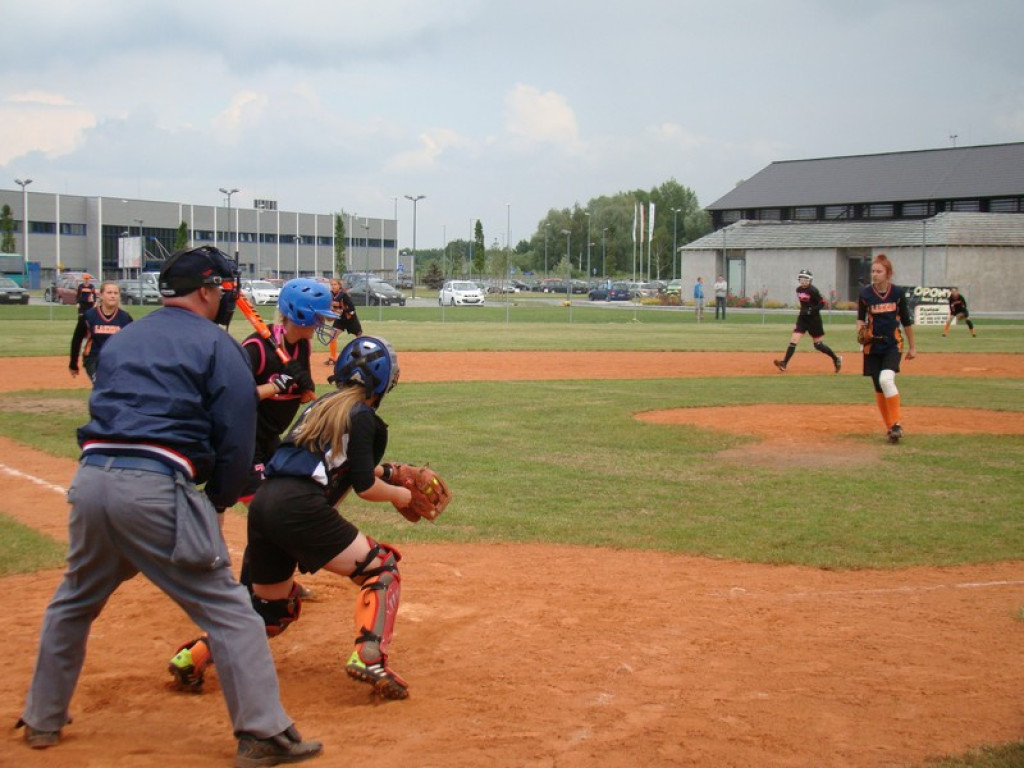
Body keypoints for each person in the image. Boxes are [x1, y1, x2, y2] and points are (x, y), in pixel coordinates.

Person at [17, 246, 323, 766]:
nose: (228, 299)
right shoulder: (216, 344)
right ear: (206, 291)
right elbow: (234, 436)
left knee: (73, 601)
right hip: (154, 487)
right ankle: (263, 733)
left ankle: (43, 718)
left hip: (91, 481)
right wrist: (218, 500)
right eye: (225, 290)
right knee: (234, 615)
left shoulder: (128, 335)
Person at [172, 336, 417, 701]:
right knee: (382, 570)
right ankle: (370, 656)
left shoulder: (319, 408)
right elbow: (362, 484)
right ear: (384, 382)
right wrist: (402, 494)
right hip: (299, 506)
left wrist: (388, 472)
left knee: (270, 611)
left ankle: (192, 656)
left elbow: (335, 462)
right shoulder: (365, 417)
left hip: (266, 502)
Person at [168, 277, 338, 688]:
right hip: (241, 444)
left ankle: (264, 585)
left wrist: (307, 391)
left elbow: (304, 397)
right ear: (298, 314)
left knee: (285, 506)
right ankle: (247, 593)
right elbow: (233, 399)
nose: (321, 324)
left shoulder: (297, 346)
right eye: (316, 318)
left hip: (270, 444)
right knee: (270, 512)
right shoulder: (255, 347)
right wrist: (273, 385)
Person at [857, 253, 917, 444]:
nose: (875, 274)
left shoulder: (897, 293)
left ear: (888, 273)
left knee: (886, 379)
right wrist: (860, 335)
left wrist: (912, 347)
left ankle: (896, 424)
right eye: (873, 271)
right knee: (878, 386)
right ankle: (890, 427)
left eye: (879, 271)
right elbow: (860, 319)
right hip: (872, 346)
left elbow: (906, 321)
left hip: (893, 343)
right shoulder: (865, 294)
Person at [772, 269, 843, 374]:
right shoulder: (798, 289)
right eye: (802, 278)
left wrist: (811, 310)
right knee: (794, 340)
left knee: (818, 345)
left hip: (814, 320)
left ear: (810, 280)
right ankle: (784, 363)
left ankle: (836, 358)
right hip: (802, 318)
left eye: (806, 278)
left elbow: (822, 303)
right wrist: (805, 311)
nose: (803, 280)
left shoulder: (813, 290)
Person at [69, 281, 133, 381]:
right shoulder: (89, 316)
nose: (113, 296)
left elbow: (133, 342)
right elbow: (77, 340)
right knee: (101, 383)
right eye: (109, 293)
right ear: (101, 295)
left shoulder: (125, 318)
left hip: (116, 359)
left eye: (116, 293)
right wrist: (73, 363)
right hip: (93, 358)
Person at [325, 278, 362, 365]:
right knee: (332, 335)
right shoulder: (330, 295)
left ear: (339, 286)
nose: (333, 286)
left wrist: (342, 311)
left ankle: (361, 356)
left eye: (335, 284)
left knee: (359, 336)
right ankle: (333, 358)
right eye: (332, 285)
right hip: (340, 320)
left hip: (350, 319)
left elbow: (352, 308)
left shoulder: (343, 295)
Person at [68, 273, 98, 370]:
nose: (86, 280)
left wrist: (94, 304)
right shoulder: (81, 286)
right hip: (82, 305)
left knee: (89, 320)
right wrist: (77, 303)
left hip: (89, 305)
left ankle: (87, 334)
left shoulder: (91, 287)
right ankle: (82, 333)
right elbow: (78, 295)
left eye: (87, 279)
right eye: (85, 279)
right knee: (81, 319)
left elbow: (94, 296)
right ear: (83, 279)